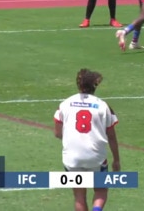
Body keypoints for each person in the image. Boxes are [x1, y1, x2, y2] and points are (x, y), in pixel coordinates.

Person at [53, 68, 121, 211]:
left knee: (79, 195)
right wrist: (116, 160)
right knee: (101, 189)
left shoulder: (65, 103)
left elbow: (58, 133)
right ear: (95, 85)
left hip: (72, 157)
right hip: (96, 157)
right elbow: (112, 136)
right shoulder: (103, 105)